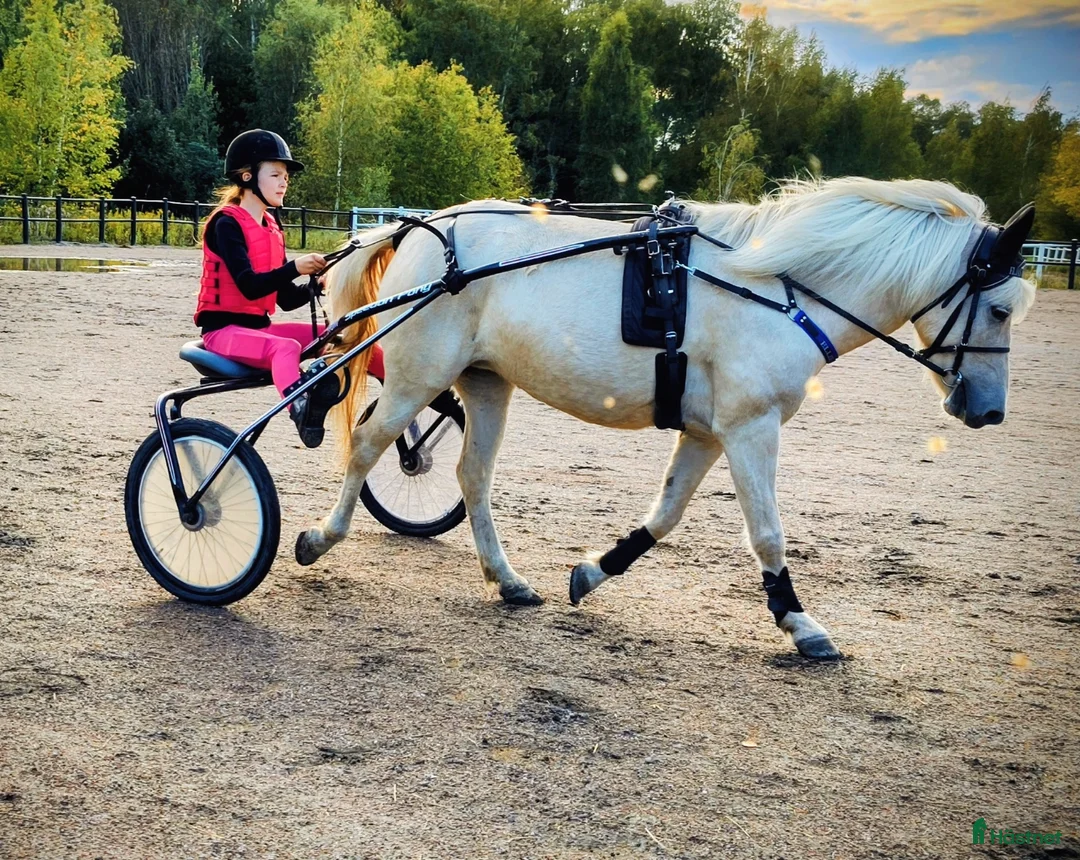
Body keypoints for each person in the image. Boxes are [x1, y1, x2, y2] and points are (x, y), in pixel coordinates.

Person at [195, 129, 331, 448]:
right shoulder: (226, 224)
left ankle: (396, 388)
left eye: (286, 176)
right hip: (222, 333)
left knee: (336, 332)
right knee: (285, 349)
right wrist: (295, 267)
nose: (284, 182)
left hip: (261, 329)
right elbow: (249, 287)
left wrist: (317, 286)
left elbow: (283, 298)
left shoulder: (272, 227)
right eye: (275, 174)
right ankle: (301, 408)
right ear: (247, 176)